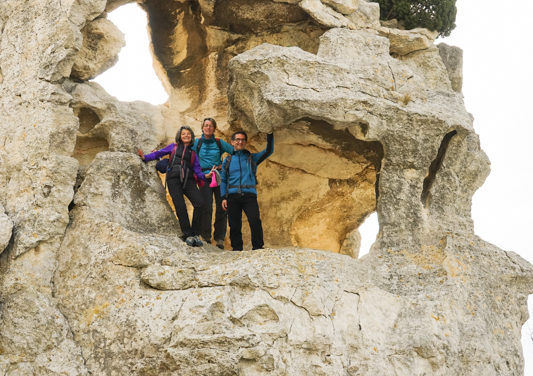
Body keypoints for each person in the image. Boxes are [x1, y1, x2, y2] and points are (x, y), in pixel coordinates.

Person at [138, 126, 211, 247]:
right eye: (183, 134)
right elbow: (159, 153)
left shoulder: (193, 154)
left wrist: (205, 176)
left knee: (200, 203)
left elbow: (197, 171)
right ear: (180, 137)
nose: (186, 135)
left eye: (188, 134)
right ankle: (188, 235)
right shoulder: (173, 147)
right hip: (173, 180)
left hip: (189, 181)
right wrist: (145, 157)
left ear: (191, 137)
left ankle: (195, 233)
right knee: (180, 206)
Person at [221, 131, 274, 251]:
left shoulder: (252, 158)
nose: (240, 142)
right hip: (232, 196)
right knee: (234, 224)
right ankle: (237, 249)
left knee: (255, 220)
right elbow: (223, 180)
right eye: (238, 139)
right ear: (232, 142)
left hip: (249, 195)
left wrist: (269, 134)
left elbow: (268, 151)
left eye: (243, 140)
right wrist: (223, 197)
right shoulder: (227, 160)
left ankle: (258, 247)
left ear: (245, 142)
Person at [192, 118, 234, 249]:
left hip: (218, 177)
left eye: (211, 126)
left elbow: (234, 152)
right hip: (204, 177)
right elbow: (189, 156)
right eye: (206, 125)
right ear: (202, 128)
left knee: (222, 206)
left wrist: (225, 164)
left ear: (214, 128)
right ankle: (206, 236)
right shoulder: (197, 143)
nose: (208, 128)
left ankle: (220, 238)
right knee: (206, 206)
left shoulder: (219, 143)